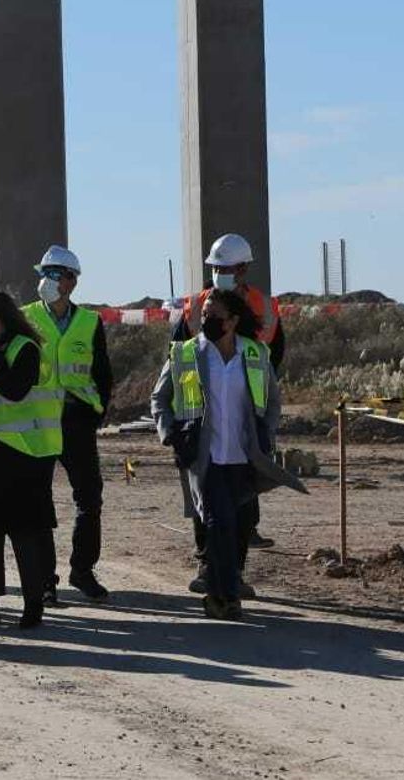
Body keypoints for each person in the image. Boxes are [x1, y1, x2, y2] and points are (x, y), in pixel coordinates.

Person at [152, 288, 286, 620]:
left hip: (243, 456)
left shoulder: (255, 353)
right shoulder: (185, 353)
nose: (206, 321)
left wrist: (267, 436)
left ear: (233, 321)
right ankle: (224, 595)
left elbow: (272, 403)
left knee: (237, 526)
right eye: (204, 315)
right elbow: (160, 398)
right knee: (217, 522)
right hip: (204, 457)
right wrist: (169, 434)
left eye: (215, 316)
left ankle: (223, 588)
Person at [173, 232, 285, 583]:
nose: (219, 273)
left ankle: (233, 570)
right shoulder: (195, 306)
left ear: (243, 269)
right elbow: (177, 357)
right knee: (204, 498)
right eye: (215, 267)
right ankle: (207, 565)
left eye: (226, 267)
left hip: (246, 417)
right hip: (201, 414)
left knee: (244, 501)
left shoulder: (264, 307)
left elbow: (274, 359)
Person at [0, 290, 62, 629]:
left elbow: (16, 390)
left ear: (0, 316)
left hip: (21, 454)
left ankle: (33, 604)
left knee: (24, 531)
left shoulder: (25, 348)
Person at [22, 246, 114, 604]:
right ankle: (45, 579)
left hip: (77, 421)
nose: (46, 281)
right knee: (38, 503)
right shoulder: (25, 318)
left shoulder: (90, 322)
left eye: (55, 275)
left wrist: (96, 414)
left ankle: (82, 570)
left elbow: (103, 374)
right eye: (44, 274)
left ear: (72, 281)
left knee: (89, 499)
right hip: (38, 424)